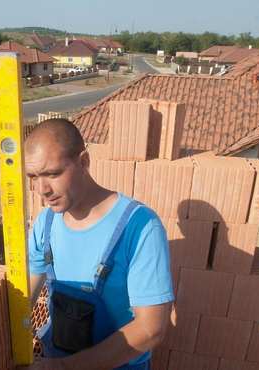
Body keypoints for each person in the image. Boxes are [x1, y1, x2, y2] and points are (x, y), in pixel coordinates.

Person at [23, 119, 174, 370]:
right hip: (55, 356)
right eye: (33, 176)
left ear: (83, 162)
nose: (42, 189)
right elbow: (24, 296)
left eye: (52, 173)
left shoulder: (140, 227)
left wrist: (62, 369)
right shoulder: (45, 223)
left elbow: (151, 328)